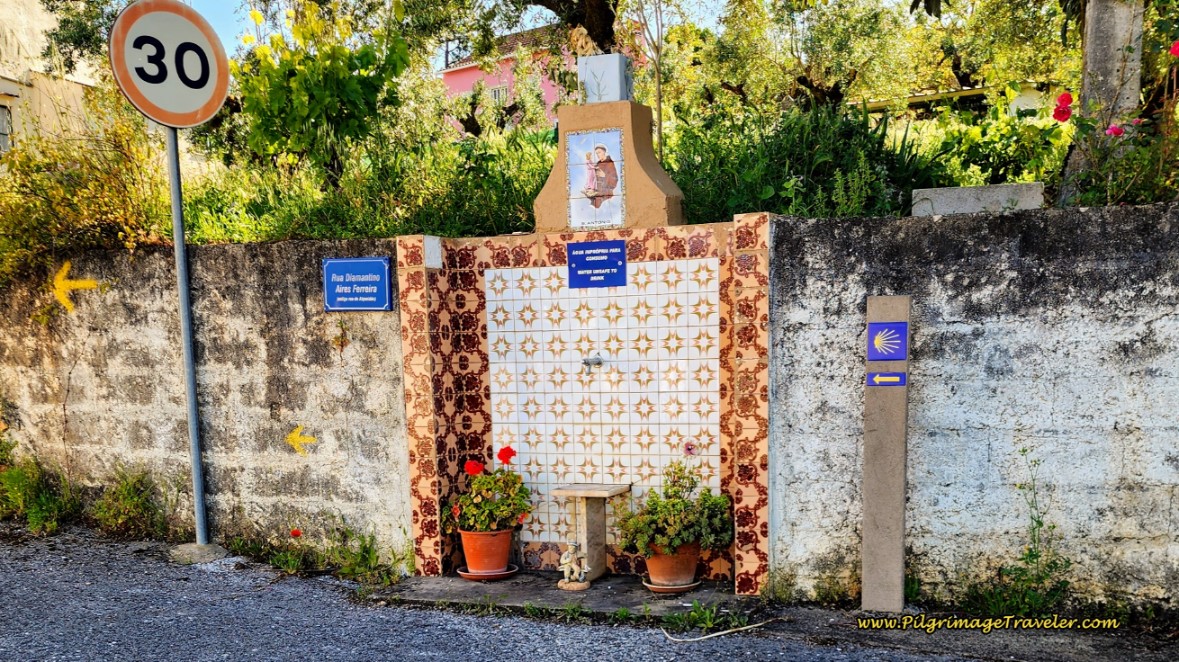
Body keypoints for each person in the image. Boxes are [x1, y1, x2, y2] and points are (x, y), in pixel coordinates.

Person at [585, 144, 618, 209]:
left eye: (599, 152)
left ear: (604, 152)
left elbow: (615, 179)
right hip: (596, 191)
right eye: (596, 153)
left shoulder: (610, 163)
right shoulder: (598, 163)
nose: (598, 155)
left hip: (606, 194)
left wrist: (604, 176)